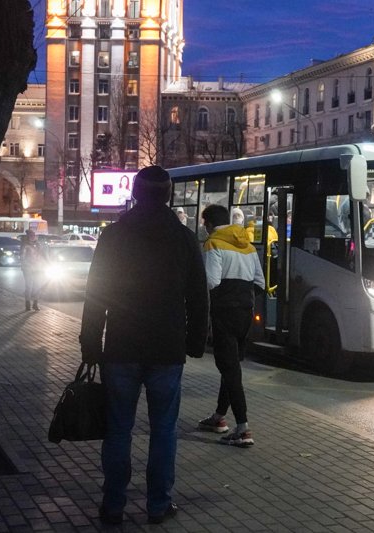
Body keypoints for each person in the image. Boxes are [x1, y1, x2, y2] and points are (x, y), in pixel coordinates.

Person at [79, 165, 209, 526]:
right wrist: (196, 342)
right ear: (167, 195)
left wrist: (91, 344)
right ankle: (157, 504)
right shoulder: (183, 238)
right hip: (167, 349)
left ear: (135, 193)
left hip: (120, 347)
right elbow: (198, 296)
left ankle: (113, 504)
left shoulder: (114, 236)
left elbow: (96, 296)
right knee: (163, 430)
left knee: (119, 428)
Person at [197, 204, 265, 448]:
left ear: (209, 224)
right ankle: (218, 417)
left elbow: (212, 281)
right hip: (245, 311)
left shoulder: (213, 243)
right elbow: (260, 281)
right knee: (232, 364)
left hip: (223, 312)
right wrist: (242, 298)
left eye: (205, 224)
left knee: (229, 368)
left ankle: (243, 428)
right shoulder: (247, 244)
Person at [20, 229, 46, 311]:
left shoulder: (38, 245)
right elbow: (22, 257)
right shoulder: (25, 245)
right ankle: (27, 304)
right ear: (28, 237)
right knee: (29, 286)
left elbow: (43, 255)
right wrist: (26, 265)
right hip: (28, 268)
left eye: (34, 235)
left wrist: (46, 263)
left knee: (37, 286)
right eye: (31, 235)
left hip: (38, 268)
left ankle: (35, 303)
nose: (33, 237)